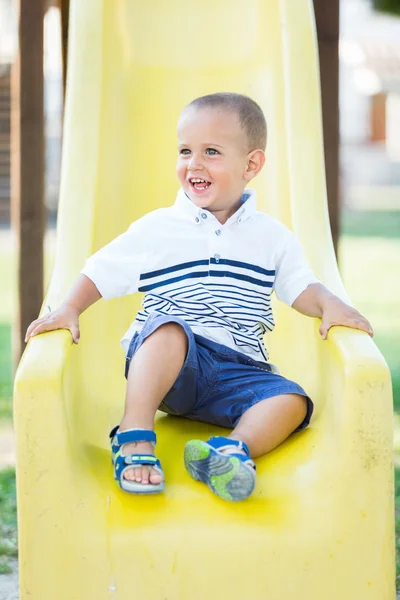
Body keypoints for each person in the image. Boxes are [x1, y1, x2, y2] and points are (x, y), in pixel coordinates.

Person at [25, 92, 373, 502]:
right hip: (173, 366)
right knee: (169, 329)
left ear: (251, 165)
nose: (194, 164)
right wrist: (69, 308)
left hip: (237, 370)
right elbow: (101, 271)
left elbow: (301, 288)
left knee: (292, 399)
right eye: (185, 151)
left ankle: (230, 452)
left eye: (211, 151)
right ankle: (135, 433)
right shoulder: (158, 229)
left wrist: (329, 304)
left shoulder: (272, 238)